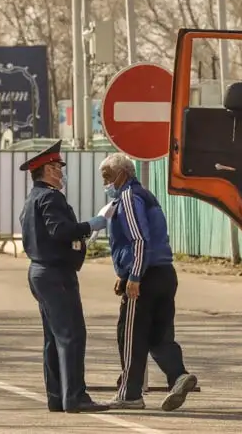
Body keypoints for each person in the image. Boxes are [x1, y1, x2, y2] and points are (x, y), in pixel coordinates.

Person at [99, 153, 197, 411]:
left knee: (129, 335)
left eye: (107, 176)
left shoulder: (129, 198)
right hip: (165, 273)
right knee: (158, 335)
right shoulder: (145, 196)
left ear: (122, 174)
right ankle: (178, 376)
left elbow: (139, 240)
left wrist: (133, 276)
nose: (105, 183)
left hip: (146, 276)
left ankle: (130, 394)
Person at [19, 140, 110, 414]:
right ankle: (75, 397)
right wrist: (89, 226)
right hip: (55, 273)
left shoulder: (33, 198)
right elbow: (59, 231)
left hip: (41, 272)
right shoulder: (50, 197)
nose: (61, 171)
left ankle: (57, 396)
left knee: (54, 337)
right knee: (71, 335)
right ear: (48, 169)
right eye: (58, 166)